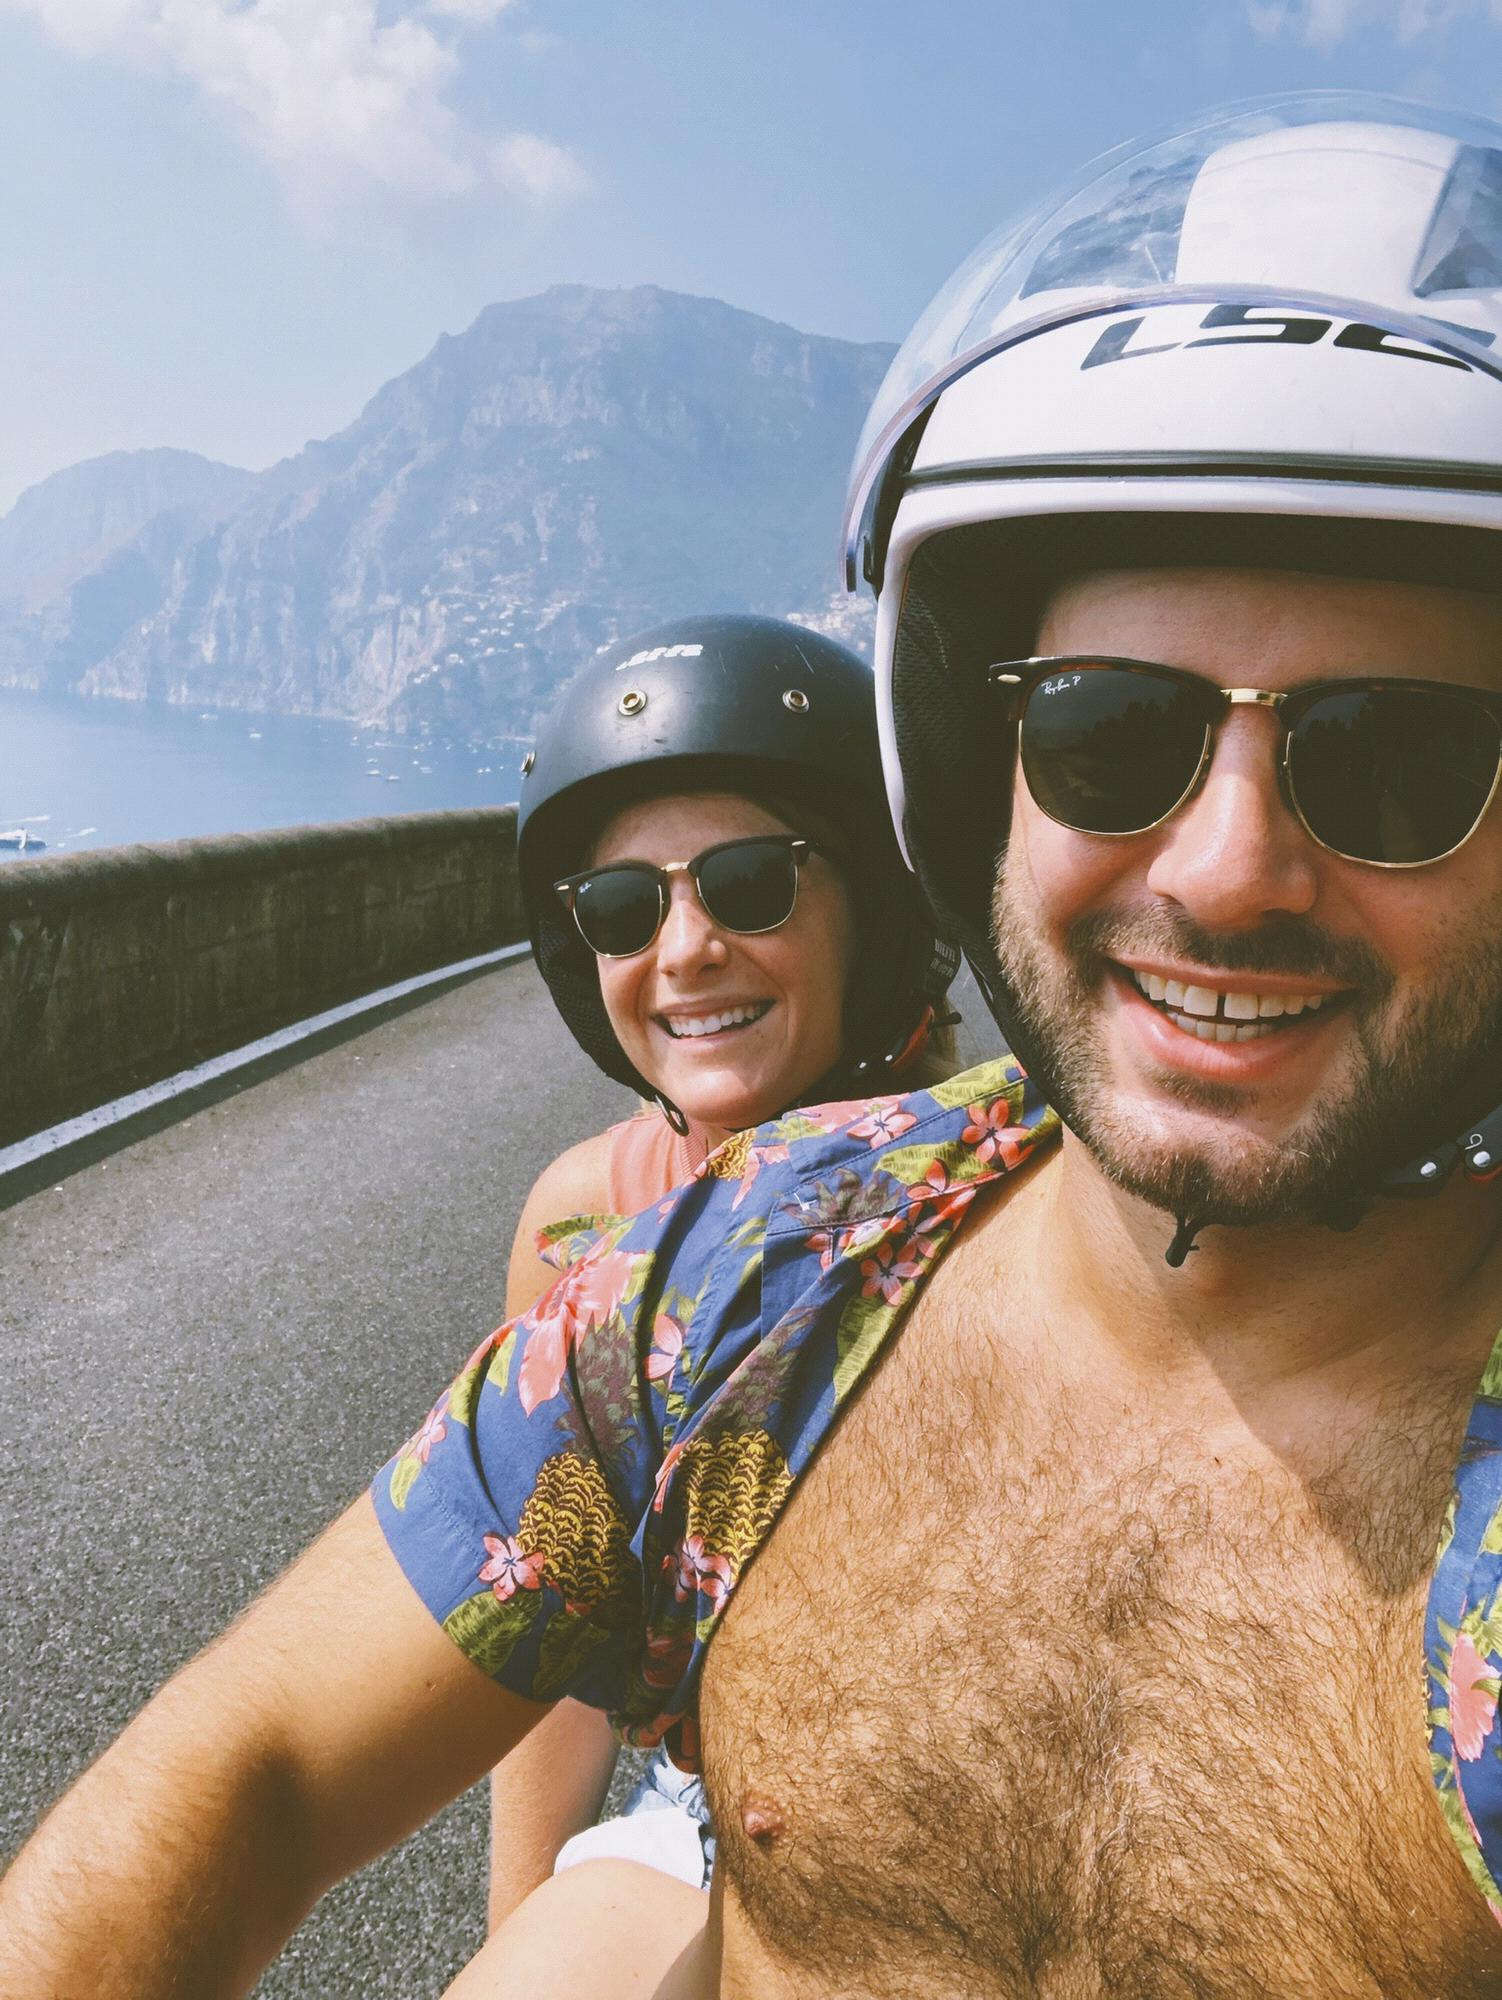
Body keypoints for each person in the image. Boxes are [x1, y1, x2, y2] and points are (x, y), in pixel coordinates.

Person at [7, 91, 1502, 2000]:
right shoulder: (755, 1277)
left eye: (1397, 763)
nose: (1225, 871)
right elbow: (255, 1759)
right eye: (1109, 735)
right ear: (972, 779)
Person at [485, 611, 958, 1936]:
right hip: (714, 1807)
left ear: (872, 901)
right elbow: (550, 1622)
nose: (683, 947)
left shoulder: (1021, 1190)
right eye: (625, 908)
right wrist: (518, 1926)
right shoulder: (584, 1223)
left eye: (750, 882)